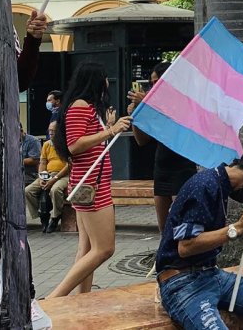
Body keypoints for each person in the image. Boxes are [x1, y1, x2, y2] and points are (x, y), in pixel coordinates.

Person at [155, 125, 243, 330]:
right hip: (182, 282)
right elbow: (185, 246)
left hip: (213, 274)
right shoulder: (204, 186)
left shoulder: (220, 185)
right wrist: (238, 228)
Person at [47, 62, 131, 297]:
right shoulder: (81, 106)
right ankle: (54, 298)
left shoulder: (88, 107)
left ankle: (82, 300)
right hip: (91, 186)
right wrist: (110, 131)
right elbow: (75, 145)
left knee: (86, 249)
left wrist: (109, 126)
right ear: (96, 80)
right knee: (104, 248)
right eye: (105, 78)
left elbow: (91, 142)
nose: (107, 83)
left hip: (92, 184)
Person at [130, 61, 199, 232]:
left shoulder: (183, 101)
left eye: (156, 82)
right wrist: (136, 116)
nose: (153, 86)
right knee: (164, 227)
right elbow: (142, 140)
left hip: (182, 167)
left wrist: (147, 103)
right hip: (162, 168)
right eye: (151, 83)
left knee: (181, 223)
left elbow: (173, 128)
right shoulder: (154, 105)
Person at [25, 120, 72, 233]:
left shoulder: (67, 144)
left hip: (63, 175)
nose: (51, 133)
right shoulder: (47, 144)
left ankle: (55, 217)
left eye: (54, 131)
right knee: (28, 190)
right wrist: (42, 177)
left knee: (55, 190)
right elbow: (42, 163)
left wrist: (54, 179)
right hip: (48, 174)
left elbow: (69, 165)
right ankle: (42, 215)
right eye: (50, 130)